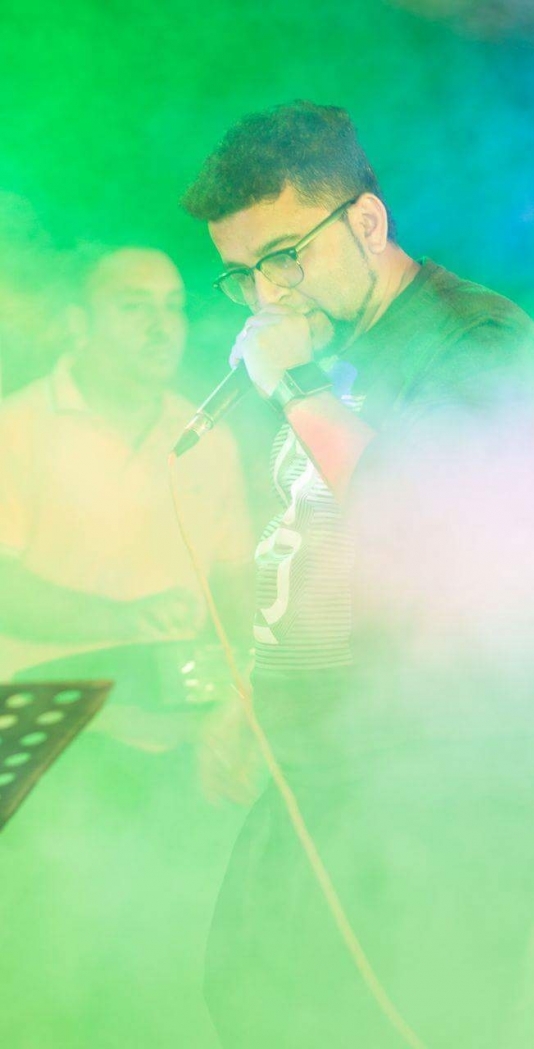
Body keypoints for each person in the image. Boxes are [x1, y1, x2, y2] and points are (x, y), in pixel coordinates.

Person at [182, 101, 534, 1049]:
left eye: (283, 257)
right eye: (242, 274)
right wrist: (251, 693)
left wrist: (296, 387)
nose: (266, 295)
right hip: (318, 757)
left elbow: (428, 516)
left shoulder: (475, 340)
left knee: (395, 1021)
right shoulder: (325, 347)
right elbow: (308, 544)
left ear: (367, 221)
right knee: (247, 996)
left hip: (438, 779)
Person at [0, 245, 253, 1049]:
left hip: (179, 739)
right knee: (50, 969)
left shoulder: (204, 435)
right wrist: (125, 615)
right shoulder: (17, 428)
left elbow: (237, 581)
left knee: (164, 968)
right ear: (78, 321)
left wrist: (240, 694)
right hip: (51, 741)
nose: (160, 325)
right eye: (132, 306)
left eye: (172, 306)